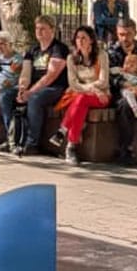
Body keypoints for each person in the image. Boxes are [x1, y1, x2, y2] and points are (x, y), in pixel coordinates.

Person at [3, 16, 70, 157]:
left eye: (43, 29)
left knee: (35, 99)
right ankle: (12, 139)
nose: (39, 32)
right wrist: (22, 89)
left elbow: (51, 76)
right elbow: (26, 72)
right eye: (37, 28)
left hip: (55, 87)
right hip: (34, 86)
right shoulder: (32, 50)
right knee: (6, 96)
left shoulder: (59, 49)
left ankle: (32, 143)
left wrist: (30, 92)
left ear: (52, 30)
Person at [52, 26, 111, 166]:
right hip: (82, 94)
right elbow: (73, 84)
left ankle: (63, 131)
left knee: (81, 98)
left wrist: (92, 89)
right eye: (78, 38)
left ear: (91, 40)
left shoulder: (101, 55)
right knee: (81, 102)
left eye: (84, 38)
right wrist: (91, 88)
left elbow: (103, 81)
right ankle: (71, 146)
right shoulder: (71, 58)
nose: (80, 41)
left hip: (101, 95)